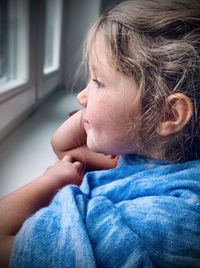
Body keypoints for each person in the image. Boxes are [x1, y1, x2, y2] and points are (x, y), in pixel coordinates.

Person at [0, 0, 200, 267]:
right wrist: (97, 110)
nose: (81, 96)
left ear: (168, 115)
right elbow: (64, 148)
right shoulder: (157, 158)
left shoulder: (151, 224)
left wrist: (49, 181)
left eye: (97, 81)